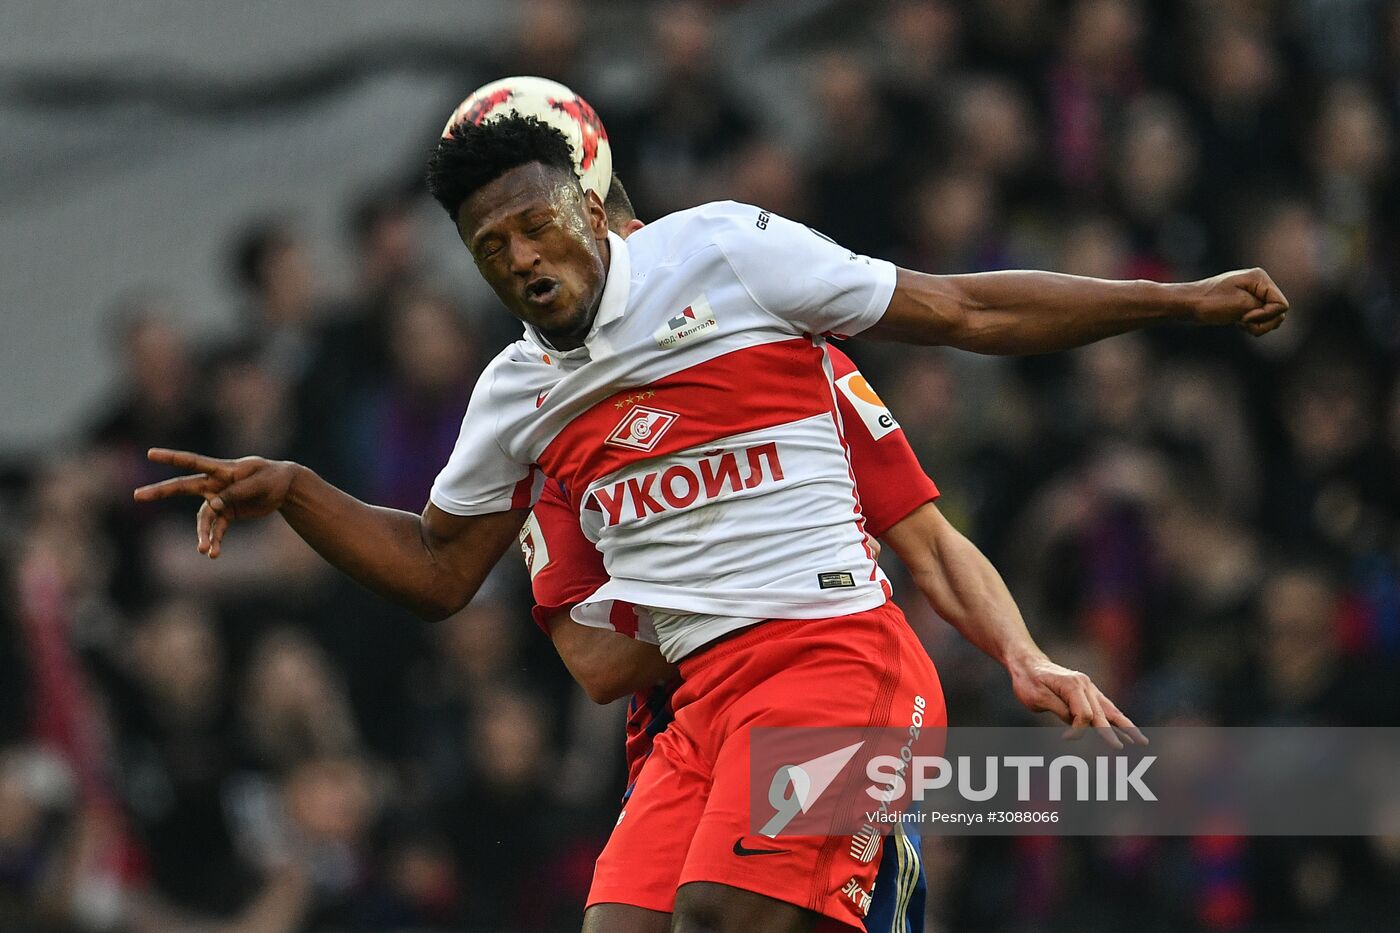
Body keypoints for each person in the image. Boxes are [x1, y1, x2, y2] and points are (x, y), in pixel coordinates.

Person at [135, 113, 1286, 931]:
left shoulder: (726, 256)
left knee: (720, 919)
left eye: (536, 226)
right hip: (695, 719)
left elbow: (962, 313)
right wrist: (295, 490)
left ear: (592, 204)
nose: (522, 260)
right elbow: (440, 573)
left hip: (833, 662)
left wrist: (1172, 300)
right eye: (492, 252)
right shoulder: (519, 398)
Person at [525, 177, 1139, 932]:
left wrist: (1023, 650)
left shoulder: (790, 369)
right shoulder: (550, 437)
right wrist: (743, 584)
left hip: (822, 701)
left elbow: (932, 542)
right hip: (683, 743)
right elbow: (595, 664)